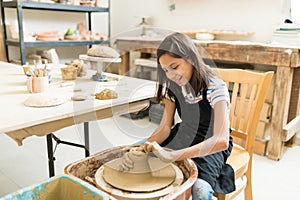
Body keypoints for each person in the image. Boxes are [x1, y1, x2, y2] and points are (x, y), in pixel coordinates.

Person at [121, 32, 235, 200]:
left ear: (191, 59)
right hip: (183, 133)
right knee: (128, 152)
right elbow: (165, 128)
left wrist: (173, 156)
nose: (170, 75)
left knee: (200, 191)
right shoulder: (174, 84)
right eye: (166, 70)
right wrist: (140, 149)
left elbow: (221, 140)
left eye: (175, 67)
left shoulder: (214, 85)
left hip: (210, 143)